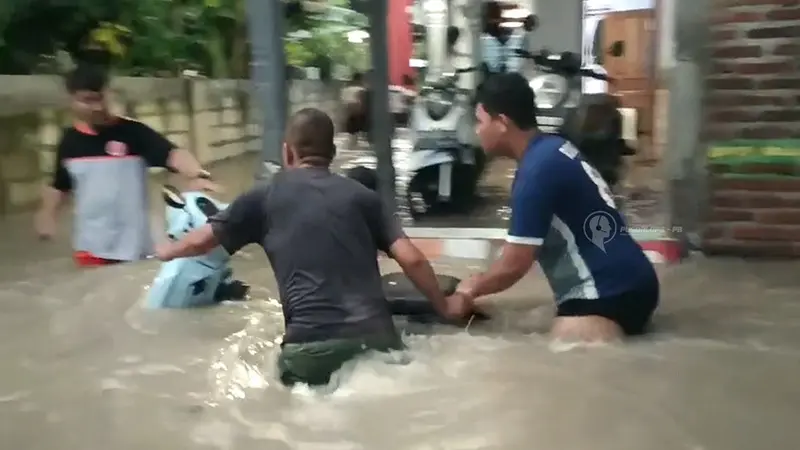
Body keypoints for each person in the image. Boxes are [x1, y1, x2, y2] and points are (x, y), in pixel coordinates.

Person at [154, 108, 471, 387]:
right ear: (332, 153)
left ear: (287, 153)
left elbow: (203, 239)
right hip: (377, 340)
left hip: (309, 353)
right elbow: (412, 259)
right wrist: (445, 307)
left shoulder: (263, 197)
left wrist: (167, 251)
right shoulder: (363, 197)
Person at [456, 73, 659, 342]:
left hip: (604, 297)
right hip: (635, 284)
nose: (477, 130)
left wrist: (469, 289)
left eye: (480, 121)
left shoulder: (535, 173)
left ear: (502, 122)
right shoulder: (554, 148)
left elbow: (515, 265)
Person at [34, 64, 218, 267]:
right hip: (90, 247)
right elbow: (60, 185)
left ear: (109, 94)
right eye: (87, 101)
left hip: (135, 246)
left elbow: (173, 155)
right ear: (72, 100)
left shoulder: (133, 132)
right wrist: (47, 216)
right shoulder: (69, 142)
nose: (96, 107)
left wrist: (198, 175)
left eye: (100, 98)